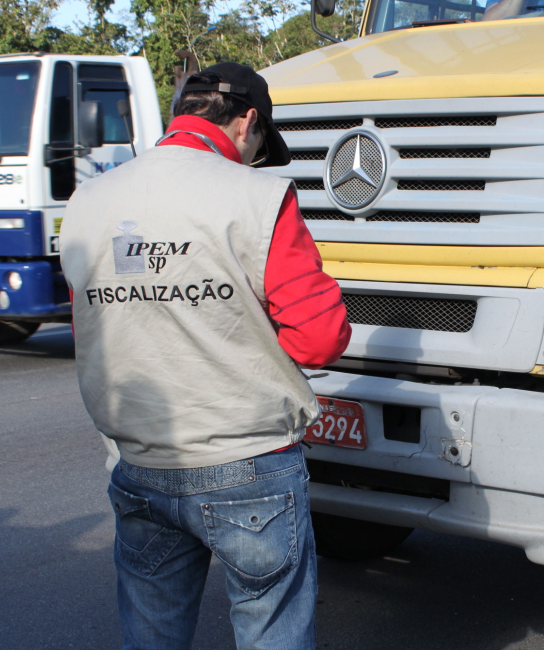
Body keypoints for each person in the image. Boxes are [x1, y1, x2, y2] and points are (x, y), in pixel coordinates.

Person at [60, 62, 352, 650]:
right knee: (271, 631)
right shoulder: (260, 196)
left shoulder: (87, 201)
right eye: (259, 143)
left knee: (152, 635)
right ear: (248, 122)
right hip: (248, 462)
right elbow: (319, 337)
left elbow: (94, 319)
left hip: (139, 459)